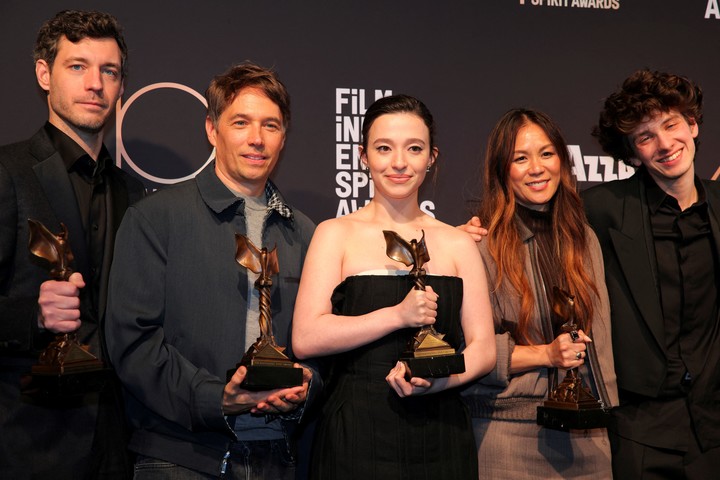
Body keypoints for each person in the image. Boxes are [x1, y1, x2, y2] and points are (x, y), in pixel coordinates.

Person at [106, 62, 318, 479]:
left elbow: (322, 343)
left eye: (270, 126)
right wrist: (215, 397)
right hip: (180, 458)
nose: (256, 139)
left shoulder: (306, 234)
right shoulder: (156, 218)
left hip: (277, 460)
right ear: (211, 129)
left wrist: (309, 387)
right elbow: (132, 342)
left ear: (284, 137)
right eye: (241, 122)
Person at [292, 94, 496, 479]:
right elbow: (306, 336)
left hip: (442, 436)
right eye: (384, 148)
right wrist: (396, 315)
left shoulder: (457, 243)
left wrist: (437, 382)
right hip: (355, 436)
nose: (399, 162)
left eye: (414, 148)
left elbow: (483, 348)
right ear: (363, 156)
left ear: (431, 157)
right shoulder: (334, 234)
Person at [0, 10, 145, 479]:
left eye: (110, 71)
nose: (96, 84)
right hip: (26, 442)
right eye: (77, 66)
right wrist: (32, 315)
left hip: (117, 444)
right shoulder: (8, 172)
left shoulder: (132, 194)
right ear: (44, 74)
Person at [461, 108, 618, 479]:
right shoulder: (477, 244)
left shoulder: (584, 239)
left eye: (546, 153)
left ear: (562, 160)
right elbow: (465, 352)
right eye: (520, 157)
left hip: (588, 434)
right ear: (502, 170)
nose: (537, 167)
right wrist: (546, 354)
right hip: (508, 436)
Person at [583, 69, 720, 479]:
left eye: (671, 125)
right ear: (632, 153)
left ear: (692, 125)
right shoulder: (602, 208)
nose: (665, 145)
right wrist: (475, 234)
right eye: (646, 137)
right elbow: (534, 232)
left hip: (713, 428)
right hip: (641, 432)